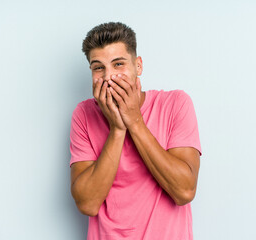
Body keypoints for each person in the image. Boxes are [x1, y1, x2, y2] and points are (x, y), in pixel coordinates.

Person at [69, 22, 202, 239]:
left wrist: (134, 121)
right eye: (98, 67)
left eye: (118, 64)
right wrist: (118, 129)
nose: (108, 77)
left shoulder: (176, 104)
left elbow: (184, 191)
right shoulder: (83, 114)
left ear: (138, 66)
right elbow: (87, 203)